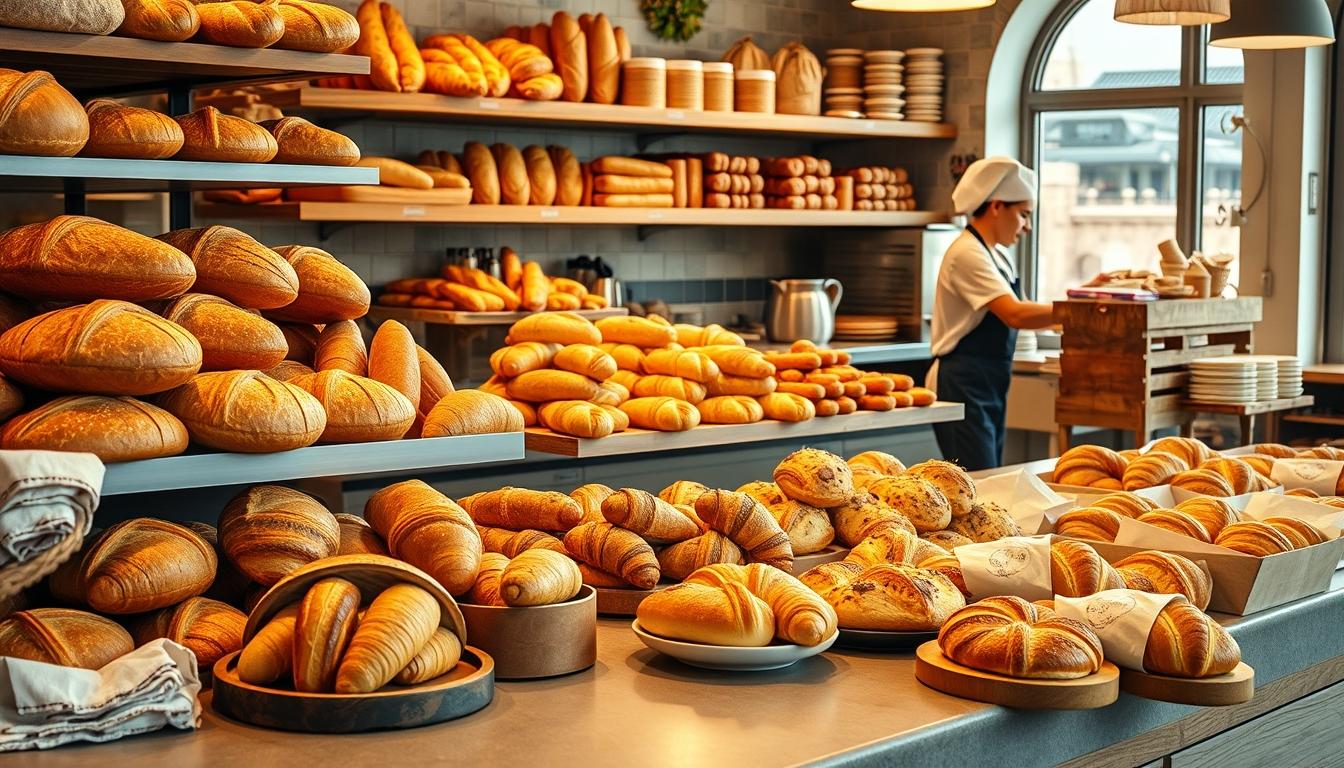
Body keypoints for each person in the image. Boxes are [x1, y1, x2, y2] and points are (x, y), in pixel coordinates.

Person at [928, 157, 1056, 471]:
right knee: (978, 480)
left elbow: (1029, 310)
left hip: (989, 381)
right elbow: (1016, 315)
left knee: (989, 475)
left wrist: (1087, 297)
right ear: (997, 206)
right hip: (961, 382)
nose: (1027, 227)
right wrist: (1080, 309)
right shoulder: (967, 253)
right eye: (1024, 215)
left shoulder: (997, 256)